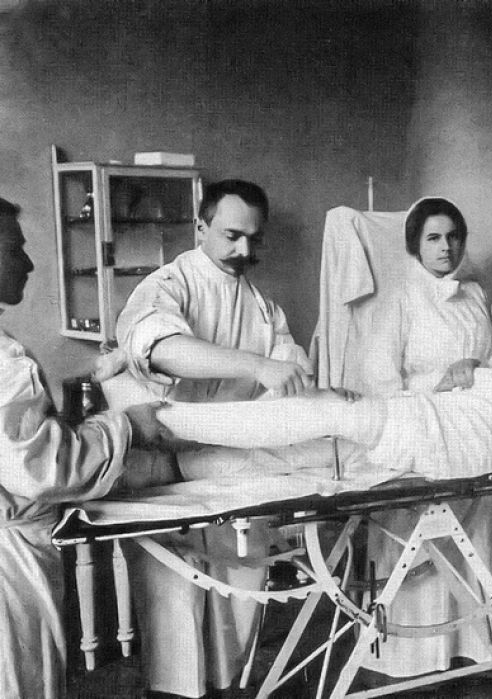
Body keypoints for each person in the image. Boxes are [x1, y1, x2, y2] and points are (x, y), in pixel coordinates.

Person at [158, 247, 492, 479]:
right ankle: (177, 468)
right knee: (313, 454)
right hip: (450, 414)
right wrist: (470, 367)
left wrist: (476, 375)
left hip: (483, 431)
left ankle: (165, 421)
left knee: (330, 410)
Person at [114, 179, 314, 698]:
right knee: (176, 614)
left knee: (239, 601)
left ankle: (233, 688)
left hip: (229, 468)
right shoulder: (167, 285)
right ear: (200, 227)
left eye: (254, 238)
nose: (244, 250)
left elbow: (291, 372)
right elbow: (161, 349)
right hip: (162, 467)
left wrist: (306, 381)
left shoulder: (263, 307)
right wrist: (257, 366)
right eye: (231, 235)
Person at [0, 198, 171, 699]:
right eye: (14, 249)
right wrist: (125, 426)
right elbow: (42, 469)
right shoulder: (4, 363)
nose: (29, 263)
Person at [358, 197, 492, 678]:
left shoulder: (476, 295)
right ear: (415, 245)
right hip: (422, 432)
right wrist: (441, 382)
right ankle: (415, 658)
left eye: (453, 237)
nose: (446, 247)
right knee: (421, 537)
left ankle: (480, 648)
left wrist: (481, 369)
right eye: (434, 238)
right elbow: (378, 382)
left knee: (482, 532)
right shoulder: (399, 300)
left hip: (480, 432)